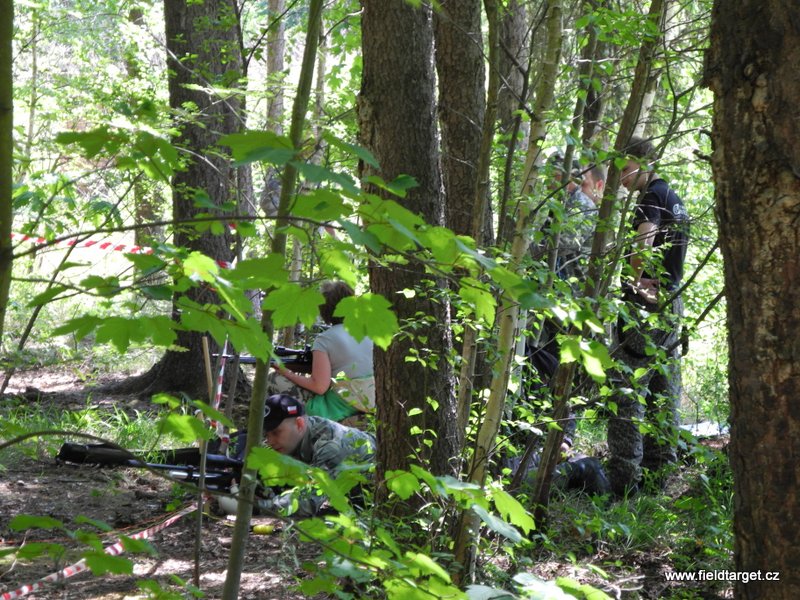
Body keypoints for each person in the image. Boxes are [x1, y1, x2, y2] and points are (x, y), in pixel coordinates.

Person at [606, 136, 690, 496]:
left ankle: (623, 480)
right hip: (671, 301)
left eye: (625, 170)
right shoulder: (673, 197)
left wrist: (634, 280)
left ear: (644, 163)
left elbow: (645, 238)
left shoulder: (652, 197)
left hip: (648, 305)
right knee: (662, 388)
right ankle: (659, 476)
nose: (622, 179)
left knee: (624, 385)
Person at [218, 394, 376, 517]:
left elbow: (309, 501)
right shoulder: (292, 439)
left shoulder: (331, 446)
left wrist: (255, 508)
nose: (270, 441)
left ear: (299, 424)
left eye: (276, 433)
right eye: (267, 434)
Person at [267, 280, 375, 425]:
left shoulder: (325, 339)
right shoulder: (371, 331)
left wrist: (287, 373)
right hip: (373, 402)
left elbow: (319, 387)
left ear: (323, 310)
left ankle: (276, 428)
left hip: (337, 410)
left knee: (273, 379)